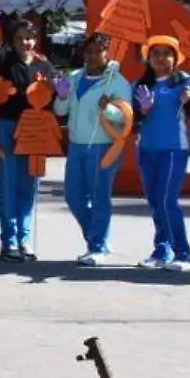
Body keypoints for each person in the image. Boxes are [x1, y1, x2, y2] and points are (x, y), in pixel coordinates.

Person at [131, 36, 190, 272]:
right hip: (147, 149)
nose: (160, 58)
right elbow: (132, 120)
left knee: (168, 201)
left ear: (175, 58)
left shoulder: (185, 81)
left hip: (174, 149)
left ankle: (183, 253)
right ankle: (162, 250)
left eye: (166, 53)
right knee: (155, 202)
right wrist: (143, 110)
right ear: (148, 57)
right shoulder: (140, 84)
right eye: (155, 53)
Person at [53, 32, 134, 265]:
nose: (92, 56)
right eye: (88, 51)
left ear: (108, 53)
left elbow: (125, 118)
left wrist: (108, 109)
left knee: (100, 197)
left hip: (104, 146)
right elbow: (60, 111)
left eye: (98, 51)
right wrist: (62, 95)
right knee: (73, 196)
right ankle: (97, 237)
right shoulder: (75, 77)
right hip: (76, 145)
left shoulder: (118, 82)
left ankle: (96, 247)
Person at [0, 17, 55, 261]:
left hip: (34, 132)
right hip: (6, 128)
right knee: (7, 185)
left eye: (30, 38)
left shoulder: (44, 66)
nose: (26, 42)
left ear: (36, 40)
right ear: (13, 40)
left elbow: (55, 95)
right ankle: (9, 241)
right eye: (20, 38)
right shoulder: (5, 60)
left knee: (29, 186)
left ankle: (24, 237)